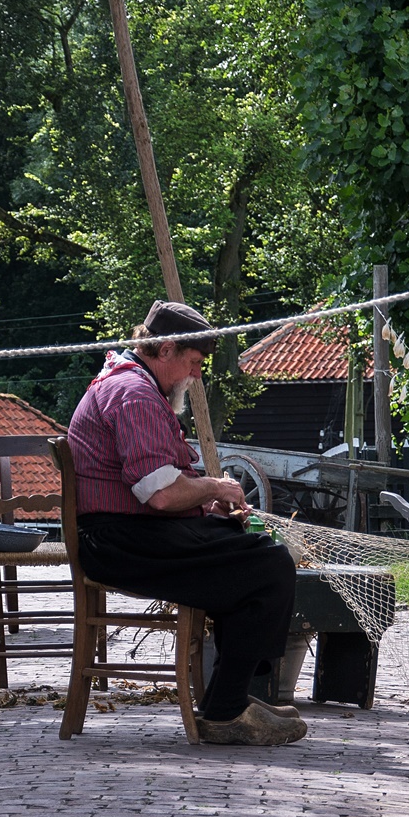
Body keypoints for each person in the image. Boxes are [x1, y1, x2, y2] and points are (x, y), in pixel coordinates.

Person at [66, 299, 305, 746]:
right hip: (117, 543)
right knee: (267, 566)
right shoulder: (133, 394)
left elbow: (163, 489)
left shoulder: (134, 385)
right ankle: (227, 708)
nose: (195, 375)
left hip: (128, 533)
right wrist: (215, 488)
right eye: (193, 363)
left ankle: (229, 700)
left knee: (249, 551)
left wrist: (204, 507)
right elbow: (159, 493)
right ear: (167, 349)